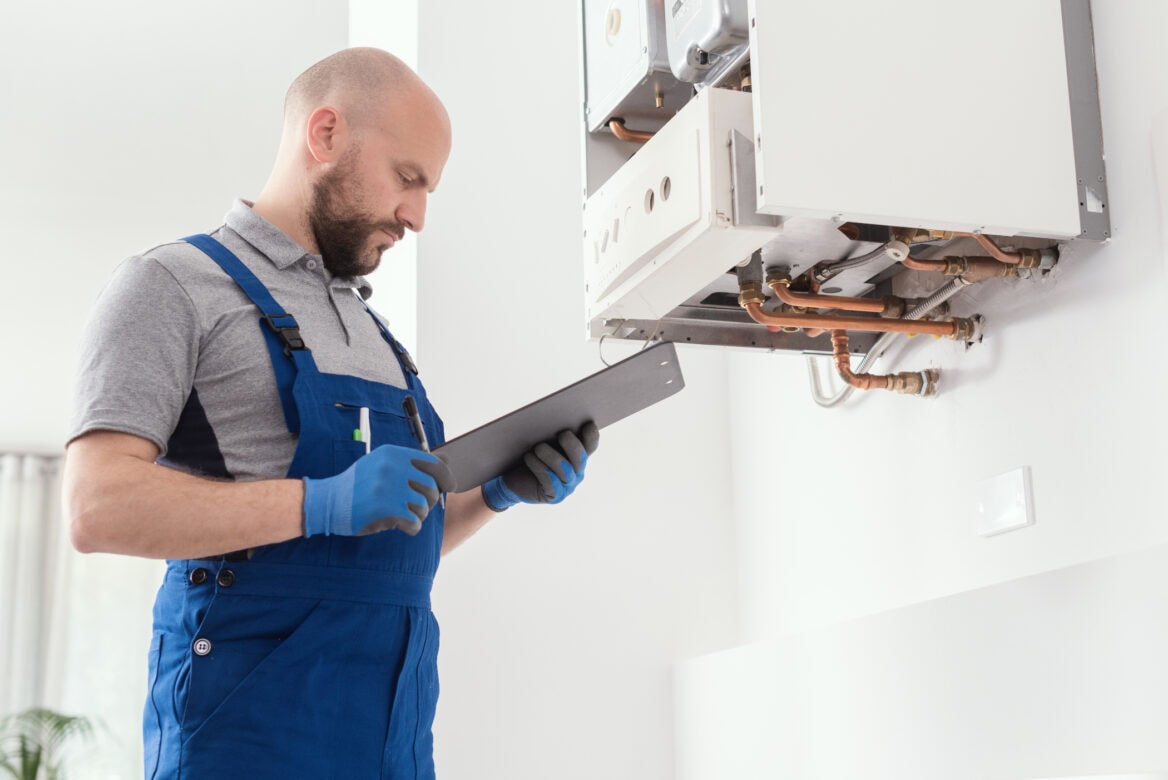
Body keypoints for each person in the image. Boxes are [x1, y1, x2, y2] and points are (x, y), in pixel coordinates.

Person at [62, 47, 598, 779]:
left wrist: (496, 494)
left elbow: (371, 555)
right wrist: (321, 502)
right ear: (324, 135)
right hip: (248, 738)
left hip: (392, 742)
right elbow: (96, 507)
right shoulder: (171, 286)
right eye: (408, 178)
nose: (416, 215)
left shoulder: (376, 335)